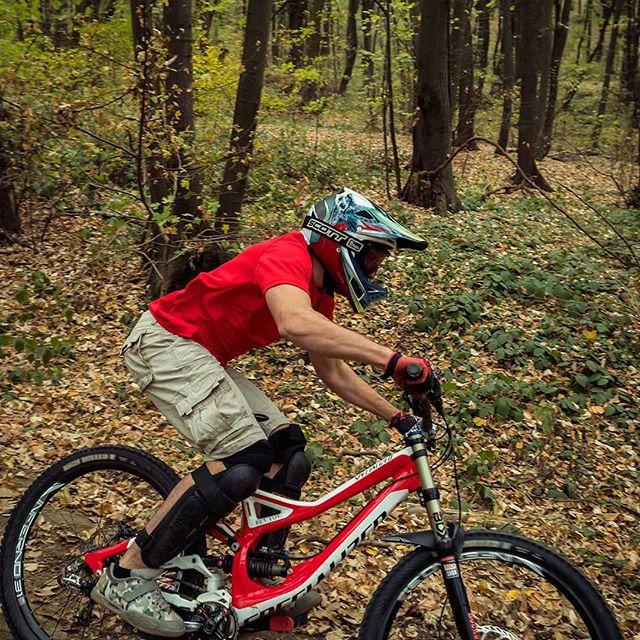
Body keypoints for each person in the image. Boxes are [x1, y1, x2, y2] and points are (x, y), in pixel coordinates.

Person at [91, 188, 441, 636]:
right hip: (165, 341)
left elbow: (333, 373)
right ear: (341, 241)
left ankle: (259, 579)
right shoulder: (286, 253)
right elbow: (292, 322)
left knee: (288, 453)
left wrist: (397, 417)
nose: (375, 267)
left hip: (200, 353)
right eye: (373, 255)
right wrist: (392, 360)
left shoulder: (320, 296)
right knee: (243, 460)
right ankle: (126, 575)